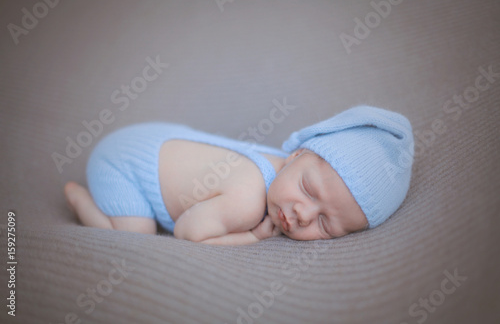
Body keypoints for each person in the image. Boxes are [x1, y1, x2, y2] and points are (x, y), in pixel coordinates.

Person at [64, 105, 414, 245]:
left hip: (155, 138)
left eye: (326, 225)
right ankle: (83, 201)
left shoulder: (283, 168)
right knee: (135, 236)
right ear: (297, 154)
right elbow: (188, 233)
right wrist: (252, 238)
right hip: (122, 164)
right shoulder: (247, 199)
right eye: (308, 189)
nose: (303, 215)